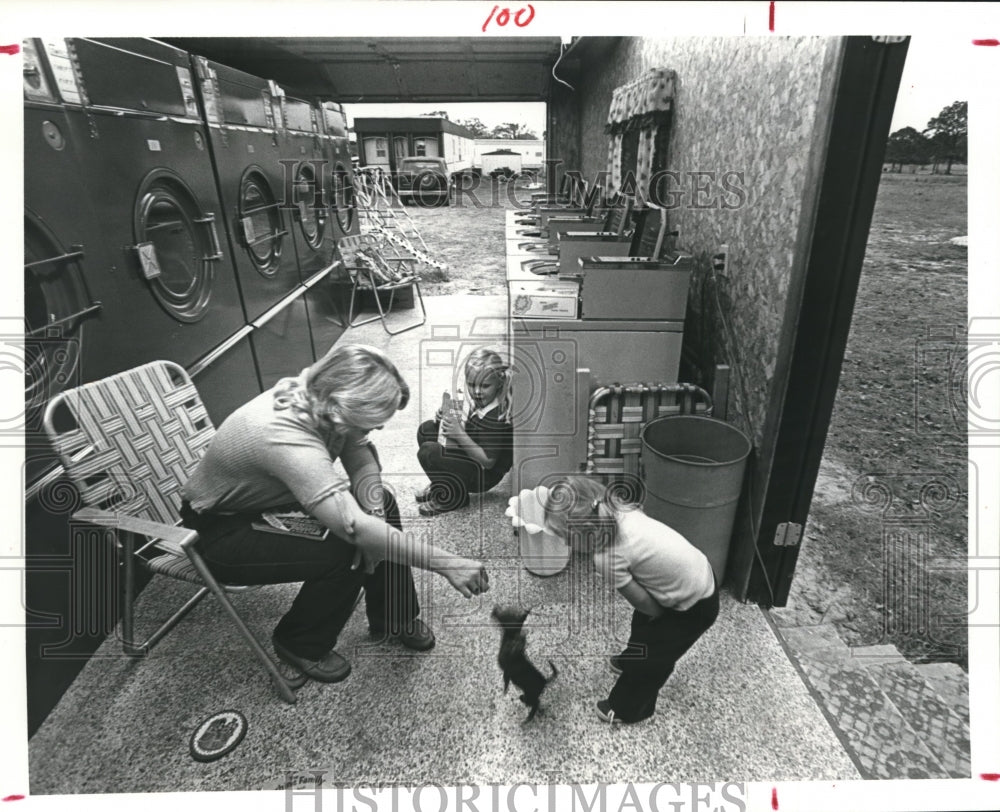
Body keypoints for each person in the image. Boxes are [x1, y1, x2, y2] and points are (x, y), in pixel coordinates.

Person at [179, 344, 489, 684]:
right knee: (346, 548)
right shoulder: (285, 435)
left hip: (272, 501)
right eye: (370, 424)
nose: (378, 430)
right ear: (341, 410)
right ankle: (299, 642)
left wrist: (374, 511)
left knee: (380, 503)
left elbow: (360, 457)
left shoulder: (321, 392)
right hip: (220, 531)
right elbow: (352, 527)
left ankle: (393, 614)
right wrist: (448, 562)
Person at [544, 475, 718, 724]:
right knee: (643, 628)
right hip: (699, 570)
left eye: (566, 537)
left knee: (653, 658)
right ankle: (632, 657)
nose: (564, 543)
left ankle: (628, 708)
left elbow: (644, 604)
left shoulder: (606, 557)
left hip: (693, 605)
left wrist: (659, 624)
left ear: (586, 533)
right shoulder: (621, 509)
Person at [415, 347, 514, 517]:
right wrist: (445, 420)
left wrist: (459, 433)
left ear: (499, 383)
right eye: (471, 384)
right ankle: (443, 486)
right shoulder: (484, 400)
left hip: (483, 474)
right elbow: (474, 430)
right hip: (472, 457)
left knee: (429, 452)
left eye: (484, 386)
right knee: (427, 430)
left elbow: (488, 462)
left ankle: (454, 497)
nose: (476, 391)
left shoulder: (496, 417)